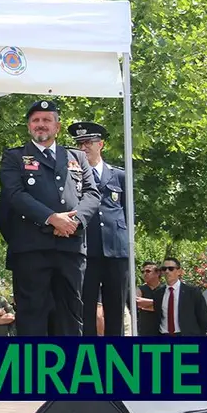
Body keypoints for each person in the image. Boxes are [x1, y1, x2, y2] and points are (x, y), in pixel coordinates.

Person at [0, 100, 99, 337]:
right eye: (35, 120)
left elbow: (92, 194)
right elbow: (14, 194)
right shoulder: (15, 157)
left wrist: (75, 222)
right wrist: (52, 218)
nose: (40, 125)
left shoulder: (76, 157)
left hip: (70, 247)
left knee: (71, 316)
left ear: (57, 126)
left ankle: (68, 372)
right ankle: (33, 373)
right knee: (32, 316)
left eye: (46, 120)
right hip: (32, 249)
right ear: (28, 126)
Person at [67, 121, 131, 336]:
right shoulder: (73, 176)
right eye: (79, 144)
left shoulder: (120, 175)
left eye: (88, 142)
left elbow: (128, 212)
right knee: (85, 310)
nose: (83, 148)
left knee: (116, 309)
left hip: (116, 251)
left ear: (100, 144)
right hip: (87, 251)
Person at [150, 258, 207, 336]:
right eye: (164, 269)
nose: (167, 271)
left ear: (179, 271)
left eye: (171, 269)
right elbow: (157, 318)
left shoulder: (192, 292)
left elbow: (204, 319)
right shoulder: (158, 294)